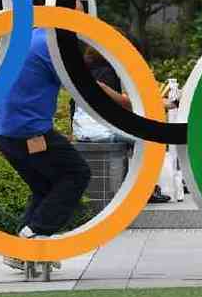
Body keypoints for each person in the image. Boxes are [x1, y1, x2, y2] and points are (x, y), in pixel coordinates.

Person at [0, 0, 131, 270]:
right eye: (79, 15)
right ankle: (34, 235)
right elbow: (87, 89)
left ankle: (21, 249)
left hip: (7, 131)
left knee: (45, 186)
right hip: (28, 131)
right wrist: (130, 102)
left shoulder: (32, 37)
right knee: (77, 174)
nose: (83, 23)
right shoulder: (53, 47)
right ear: (65, 14)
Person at [70, 45, 173, 203]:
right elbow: (124, 103)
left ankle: (141, 187)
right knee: (150, 140)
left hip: (89, 128)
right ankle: (145, 190)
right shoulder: (107, 73)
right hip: (100, 130)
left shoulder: (88, 71)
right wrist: (159, 104)